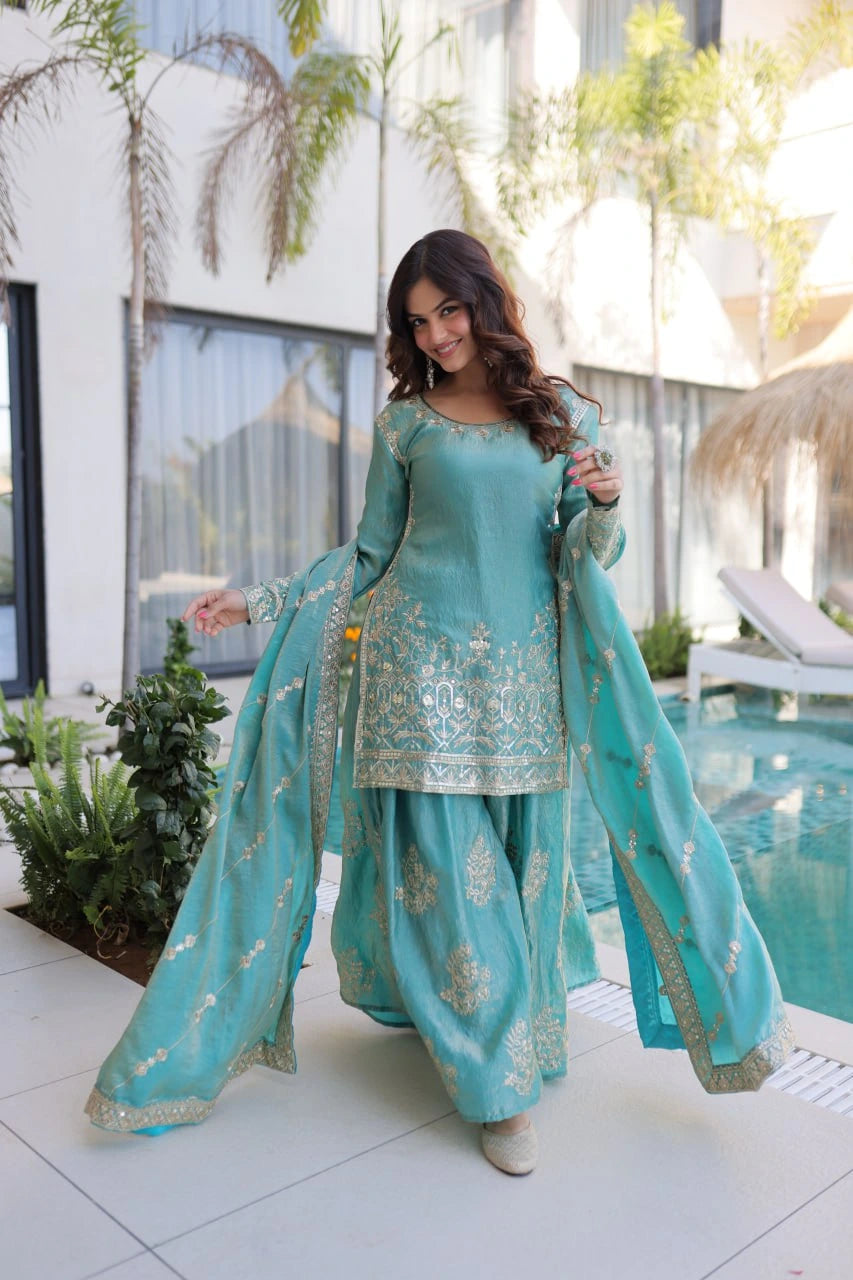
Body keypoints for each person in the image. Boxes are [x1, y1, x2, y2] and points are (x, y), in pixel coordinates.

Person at [83, 230, 792, 1173]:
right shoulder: (406, 426)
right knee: (458, 891)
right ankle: (498, 1095)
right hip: (417, 682)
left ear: (483, 300)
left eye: (446, 311)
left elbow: (587, 552)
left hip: (526, 691)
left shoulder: (562, 416)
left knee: (522, 881)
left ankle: (504, 1037)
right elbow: (370, 555)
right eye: (417, 323)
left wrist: (606, 504)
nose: (435, 335)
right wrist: (262, 601)